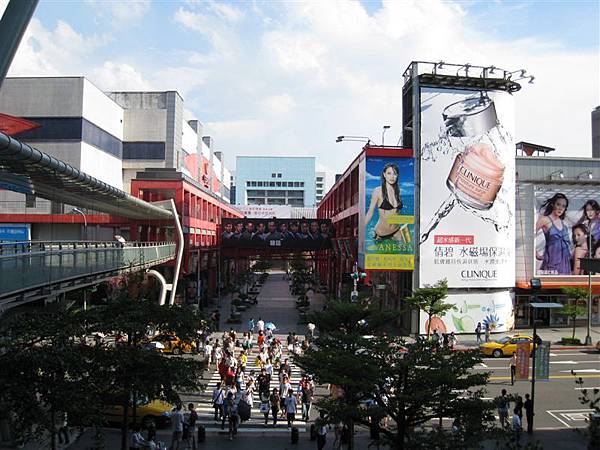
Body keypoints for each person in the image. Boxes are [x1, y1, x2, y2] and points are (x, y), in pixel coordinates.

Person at [364, 162, 408, 243]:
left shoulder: (398, 191)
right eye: (389, 173)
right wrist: (361, 229)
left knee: (407, 251)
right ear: (384, 175)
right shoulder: (377, 191)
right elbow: (370, 212)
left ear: (397, 175)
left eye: (394, 173)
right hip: (380, 234)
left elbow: (397, 213)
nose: (392, 176)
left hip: (396, 231)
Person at [536, 193, 572, 275]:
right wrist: (536, 254)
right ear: (553, 205)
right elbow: (530, 235)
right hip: (551, 261)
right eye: (558, 204)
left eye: (563, 206)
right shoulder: (545, 220)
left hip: (565, 262)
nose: (560, 208)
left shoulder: (563, 223)